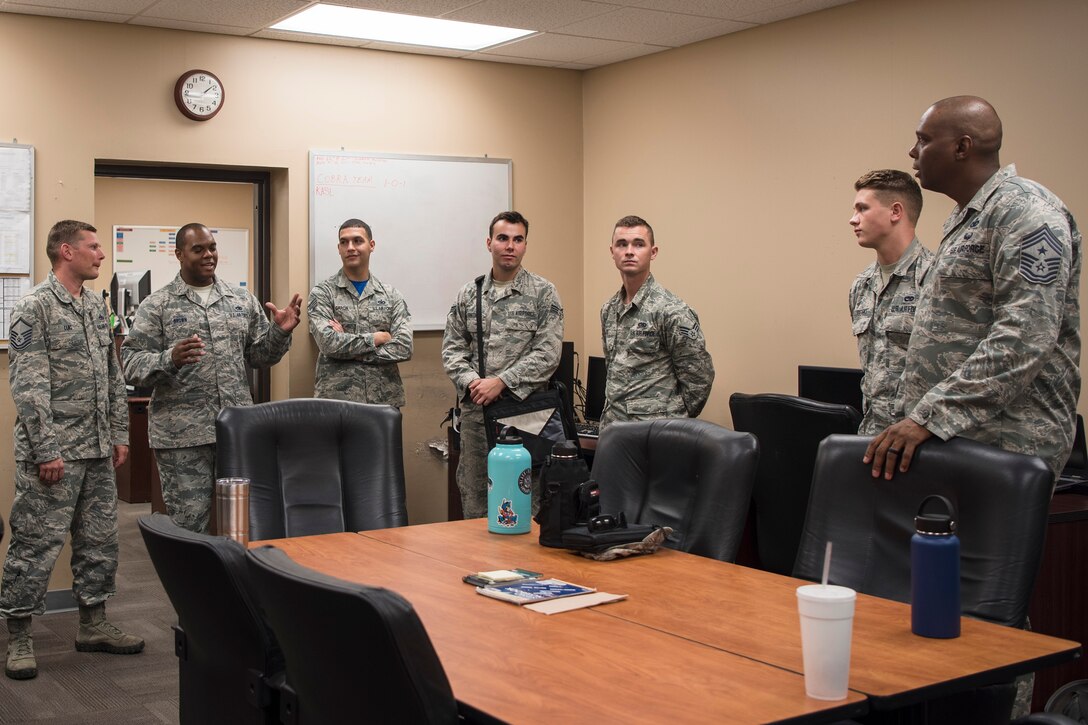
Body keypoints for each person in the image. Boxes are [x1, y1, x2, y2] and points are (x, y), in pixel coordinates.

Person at [866, 96, 1081, 484]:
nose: (913, 151)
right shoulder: (968, 216)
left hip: (1006, 441)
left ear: (961, 147)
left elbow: (1025, 336)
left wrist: (929, 416)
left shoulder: (1027, 212)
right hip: (956, 435)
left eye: (923, 140)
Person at [2, 220, 143, 681]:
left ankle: (93, 623)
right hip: (54, 454)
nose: (101, 254)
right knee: (34, 543)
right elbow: (28, 385)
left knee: (99, 541)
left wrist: (119, 433)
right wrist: (46, 449)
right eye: (93, 246)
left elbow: (112, 375)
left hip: (97, 449)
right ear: (67, 251)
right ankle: (19, 636)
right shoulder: (34, 307)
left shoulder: (95, 307)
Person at [121, 223, 302, 533]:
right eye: (198, 249)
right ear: (179, 254)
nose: (208, 255)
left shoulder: (240, 299)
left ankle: (235, 568)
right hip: (183, 436)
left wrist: (279, 333)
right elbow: (131, 363)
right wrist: (170, 359)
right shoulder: (158, 305)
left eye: (212, 248)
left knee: (244, 522)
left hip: (236, 430)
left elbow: (259, 356)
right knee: (190, 526)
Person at [441, 211, 563, 518]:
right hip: (477, 416)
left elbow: (548, 353)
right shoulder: (469, 294)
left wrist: (502, 381)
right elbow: (452, 349)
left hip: (526, 417)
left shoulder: (543, 292)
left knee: (526, 501)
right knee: (476, 501)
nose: (510, 246)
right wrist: (473, 382)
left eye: (518, 239)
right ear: (489, 243)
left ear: (525, 245)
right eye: (503, 238)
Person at [600, 215, 714, 426]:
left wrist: (673, 419)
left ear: (653, 252)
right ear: (612, 252)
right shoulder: (609, 309)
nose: (629, 251)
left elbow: (699, 377)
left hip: (656, 430)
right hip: (614, 427)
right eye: (622, 244)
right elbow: (613, 369)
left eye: (639, 244)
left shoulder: (671, 310)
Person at [848, 170, 933, 435]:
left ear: (895, 212)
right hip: (873, 437)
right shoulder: (862, 285)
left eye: (862, 208)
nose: (853, 219)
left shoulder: (935, 279)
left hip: (923, 441)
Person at [308, 219, 412, 405]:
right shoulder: (323, 293)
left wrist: (353, 352)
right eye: (344, 242)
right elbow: (328, 343)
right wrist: (377, 338)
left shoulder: (391, 295)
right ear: (339, 248)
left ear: (371, 245)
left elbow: (404, 348)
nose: (350, 247)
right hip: (336, 400)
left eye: (357, 241)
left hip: (383, 400)